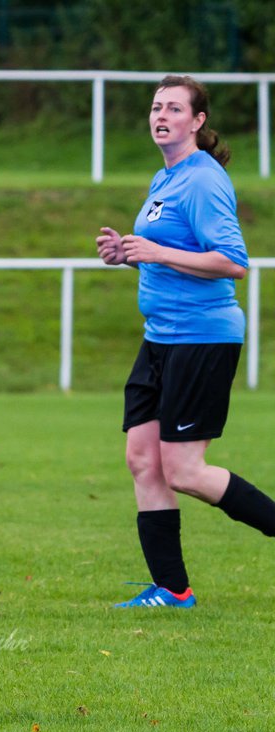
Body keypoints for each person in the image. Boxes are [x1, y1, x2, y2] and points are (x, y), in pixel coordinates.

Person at [97, 75, 275, 608]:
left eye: (174, 108)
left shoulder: (203, 180)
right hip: (160, 338)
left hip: (202, 338)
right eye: (157, 106)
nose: (162, 115)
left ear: (197, 121)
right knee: (142, 460)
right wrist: (126, 253)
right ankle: (173, 590)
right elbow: (163, 249)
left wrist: (155, 253)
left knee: (184, 470)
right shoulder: (165, 176)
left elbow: (232, 263)